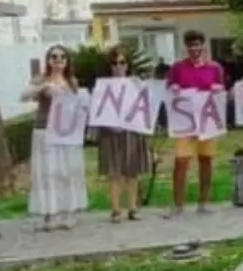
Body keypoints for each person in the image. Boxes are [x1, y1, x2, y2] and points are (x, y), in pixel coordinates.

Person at [22, 45, 88, 230]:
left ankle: (68, 211)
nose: (58, 60)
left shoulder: (72, 81)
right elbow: (24, 96)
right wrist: (42, 88)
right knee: (48, 173)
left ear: (67, 61)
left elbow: (79, 105)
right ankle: (49, 214)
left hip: (68, 133)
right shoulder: (41, 79)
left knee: (66, 172)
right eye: (54, 56)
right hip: (45, 130)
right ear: (48, 60)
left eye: (62, 57)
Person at [164, 29, 225, 217]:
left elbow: (221, 90)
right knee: (181, 162)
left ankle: (203, 202)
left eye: (198, 45)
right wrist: (173, 88)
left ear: (203, 46)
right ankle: (179, 204)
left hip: (206, 122)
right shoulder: (178, 68)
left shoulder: (214, 68)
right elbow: (168, 90)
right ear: (187, 47)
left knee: (206, 160)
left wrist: (218, 90)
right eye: (191, 45)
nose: (195, 49)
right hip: (186, 123)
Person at [96, 46, 153, 222]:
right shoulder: (103, 85)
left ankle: (133, 208)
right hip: (110, 133)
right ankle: (115, 209)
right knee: (115, 171)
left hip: (132, 131)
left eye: (122, 62)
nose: (118, 66)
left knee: (132, 170)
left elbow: (146, 105)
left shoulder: (135, 83)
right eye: (114, 63)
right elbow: (98, 108)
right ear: (109, 66)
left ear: (128, 64)